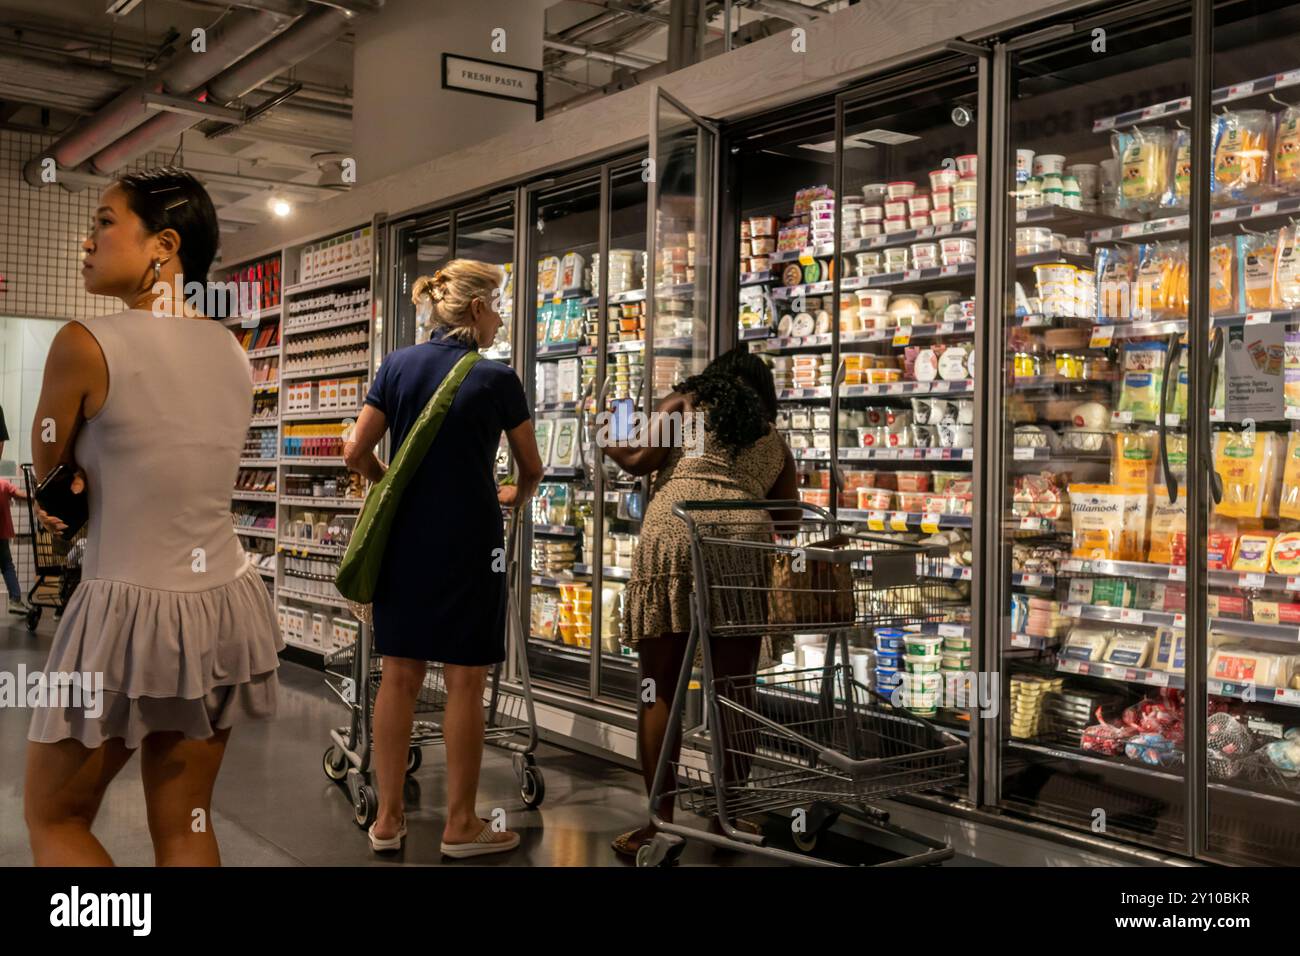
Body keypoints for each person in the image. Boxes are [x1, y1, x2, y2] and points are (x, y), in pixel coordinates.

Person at [23, 167, 283, 866]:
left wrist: (67, 489)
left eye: (105, 222)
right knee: (187, 823)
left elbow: (53, 478)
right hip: (223, 605)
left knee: (56, 817)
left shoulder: (84, 341)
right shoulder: (232, 349)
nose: (88, 239)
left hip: (124, 608)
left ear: (163, 244)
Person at [344, 259, 542, 858]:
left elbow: (354, 450)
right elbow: (531, 466)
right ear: (477, 309)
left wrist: (389, 482)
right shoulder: (497, 378)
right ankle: (459, 825)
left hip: (405, 537)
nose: (500, 318)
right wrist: (515, 494)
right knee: (465, 679)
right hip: (470, 539)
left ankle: (388, 820)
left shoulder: (397, 365)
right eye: (498, 307)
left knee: (398, 675)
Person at [600, 346, 798, 858]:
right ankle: (730, 814)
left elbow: (639, 458)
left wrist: (605, 433)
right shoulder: (772, 438)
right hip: (741, 546)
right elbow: (790, 521)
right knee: (736, 689)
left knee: (657, 686)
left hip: (677, 532)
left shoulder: (687, 404)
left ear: (713, 381)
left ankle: (658, 822)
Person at [0, 475, 29, 614]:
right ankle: (15, 600)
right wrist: (36, 497)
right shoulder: (3, 484)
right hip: (1, 536)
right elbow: (21, 495)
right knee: (7, 566)